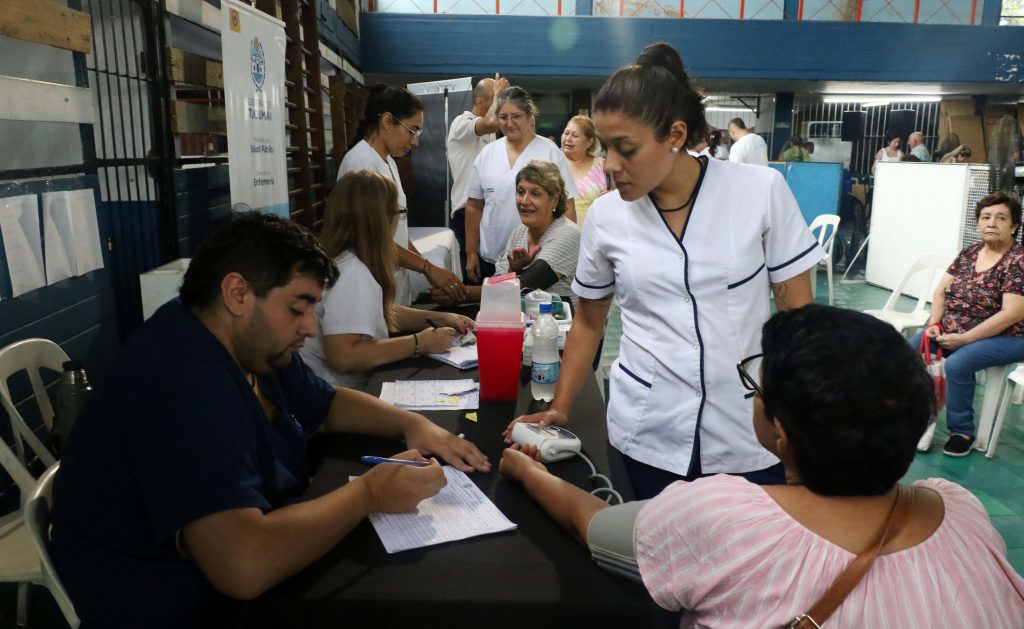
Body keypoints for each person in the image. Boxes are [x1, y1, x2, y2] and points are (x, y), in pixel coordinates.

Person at [50, 212, 490, 627]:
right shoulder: (182, 381)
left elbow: (325, 404)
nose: (310, 328)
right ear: (238, 293)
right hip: (164, 603)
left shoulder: (245, 342)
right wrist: (369, 494)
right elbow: (243, 566)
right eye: (298, 308)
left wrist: (411, 424)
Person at [500, 305, 1024, 627]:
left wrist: (528, 472)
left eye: (758, 385)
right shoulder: (960, 508)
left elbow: (591, 525)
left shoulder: (726, 516)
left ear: (782, 435)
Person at [506, 42, 821, 500]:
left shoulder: (759, 192)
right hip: (647, 430)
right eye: (606, 148)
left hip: (749, 431)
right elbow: (590, 321)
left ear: (674, 134)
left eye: (626, 149)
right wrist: (560, 407)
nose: (610, 166)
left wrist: (793, 412)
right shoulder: (607, 217)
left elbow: (799, 318)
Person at [300, 171, 474, 388]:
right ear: (380, 220)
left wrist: (440, 318)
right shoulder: (351, 273)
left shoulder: (345, 258)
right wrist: (419, 343)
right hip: (336, 392)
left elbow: (377, 312)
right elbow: (343, 357)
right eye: (398, 212)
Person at [910, 192, 1024, 457]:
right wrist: (934, 324)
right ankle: (916, 416)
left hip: (1010, 336)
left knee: (959, 363)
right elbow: (941, 292)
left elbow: (1012, 314)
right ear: (978, 223)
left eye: (1001, 218)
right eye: (985, 217)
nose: (991, 223)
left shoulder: (1018, 261)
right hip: (957, 329)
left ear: (1014, 227)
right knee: (909, 350)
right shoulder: (970, 253)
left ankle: (961, 431)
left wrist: (965, 339)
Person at [338, 84, 465, 305]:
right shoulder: (362, 164)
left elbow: (396, 230)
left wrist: (427, 269)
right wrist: (427, 267)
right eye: (412, 130)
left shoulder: (388, 161)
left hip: (391, 283)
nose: (415, 141)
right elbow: (373, 240)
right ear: (387, 121)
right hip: (370, 285)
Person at [464, 86, 577, 283]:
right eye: (503, 117)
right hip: (490, 258)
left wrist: (560, 249)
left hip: (539, 259)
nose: (509, 123)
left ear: (530, 116)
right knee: (493, 299)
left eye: (516, 116)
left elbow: (567, 206)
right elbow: (474, 205)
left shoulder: (549, 152)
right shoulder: (487, 153)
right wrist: (471, 252)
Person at [431, 160, 581, 305]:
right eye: (520, 192)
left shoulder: (567, 234)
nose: (524, 201)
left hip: (557, 322)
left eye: (535, 194)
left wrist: (459, 293)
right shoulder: (519, 233)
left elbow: (525, 286)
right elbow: (496, 283)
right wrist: (513, 269)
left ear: (554, 200)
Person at [447, 74, 509, 277]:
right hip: (466, 210)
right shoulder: (461, 122)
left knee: (491, 274)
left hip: (487, 209)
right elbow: (492, 121)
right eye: (497, 99)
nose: (502, 105)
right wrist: (499, 93)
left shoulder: (489, 132)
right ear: (480, 101)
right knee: (474, 273)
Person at [561, 114, 609, 226]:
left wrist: (611, 196)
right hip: (562, 232)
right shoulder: (553, 161)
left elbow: (620, 196)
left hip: (596, 230)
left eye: (575, 136)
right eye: (566, 133)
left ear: (589, 142)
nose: (568, 139)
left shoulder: (603, 165)